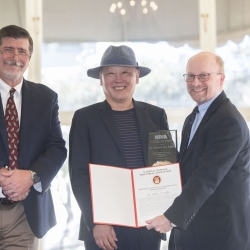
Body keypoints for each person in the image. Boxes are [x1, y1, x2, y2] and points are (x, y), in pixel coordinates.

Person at [146, 52, 250, 250]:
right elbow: (190, 167)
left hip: (219, 235)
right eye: (190, 76)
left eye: (204, 75)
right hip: (193, 231)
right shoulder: (194, 117)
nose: (195, 82)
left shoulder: (227, 121)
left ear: (222, 78)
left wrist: (171, 217)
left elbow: (207, 176)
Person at [69, 45, 169, 250]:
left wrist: (166, 214)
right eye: (111, 73)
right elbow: (78, 175)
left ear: (137, 76)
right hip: (105, 230)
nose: (119, 79)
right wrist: (97, 220)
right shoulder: (84, 118)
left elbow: (164, 168)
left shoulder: (156, 115)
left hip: (148, 226)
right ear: (101, 79)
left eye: (126, 72)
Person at [0, 25, 67, 249]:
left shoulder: (46, 98)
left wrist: (31, 176)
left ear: (29, 57)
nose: (15, 57)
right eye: (8, 49)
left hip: (25, 213)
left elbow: (57, 147)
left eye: (22, 51)